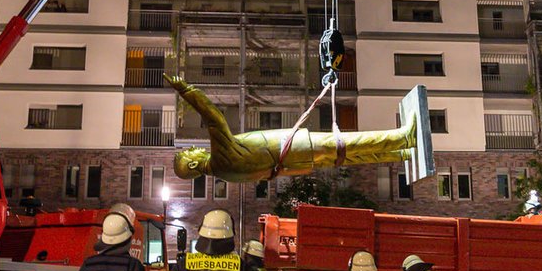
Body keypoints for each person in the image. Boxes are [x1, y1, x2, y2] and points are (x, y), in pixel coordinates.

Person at [167, 75, 419, 183]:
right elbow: (214, 120)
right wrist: (186, 91)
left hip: (289, 164)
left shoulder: (225, 173)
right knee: (345, 144)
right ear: (192, 166)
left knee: (343, 157)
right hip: (291, 151)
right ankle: (401, 138)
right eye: (189, 154)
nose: (191, 148)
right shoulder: (221, 160)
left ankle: (399, 154)